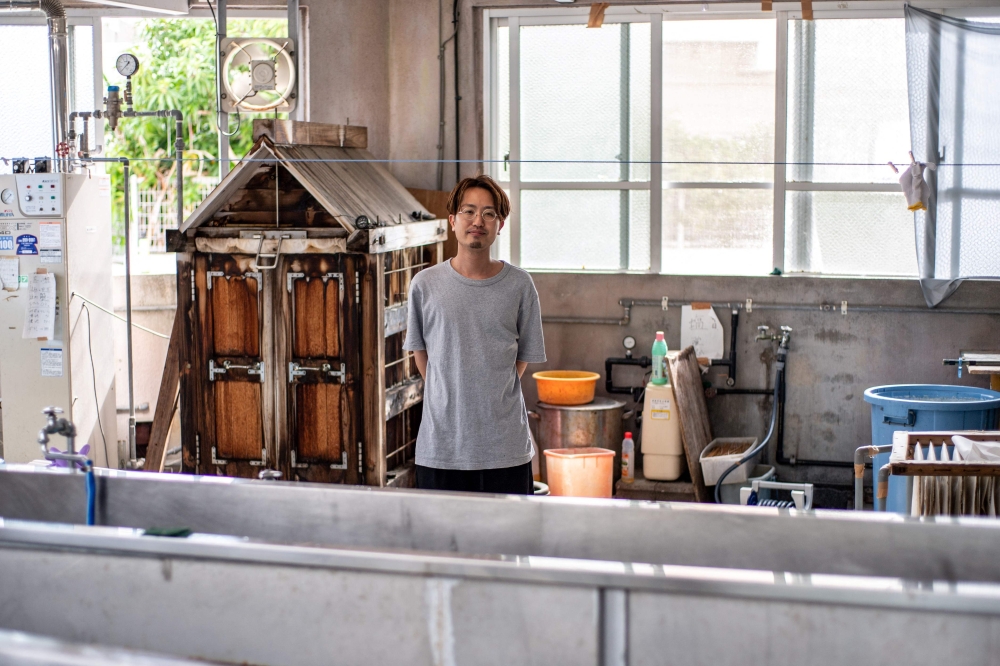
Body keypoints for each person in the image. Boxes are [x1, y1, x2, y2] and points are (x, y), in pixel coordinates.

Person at [403, 174, 545, 494]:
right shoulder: (425, 285)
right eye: (468, 211)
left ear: (500, 224)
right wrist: (448, 389)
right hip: (441, 449)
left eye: (489, 213)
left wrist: (492, 388)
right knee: (441, 529)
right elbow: (420, 351)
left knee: (508, 528)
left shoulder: (519, 285)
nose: (478, 221)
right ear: (452, 220)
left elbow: (523, 356)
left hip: (505, 449)